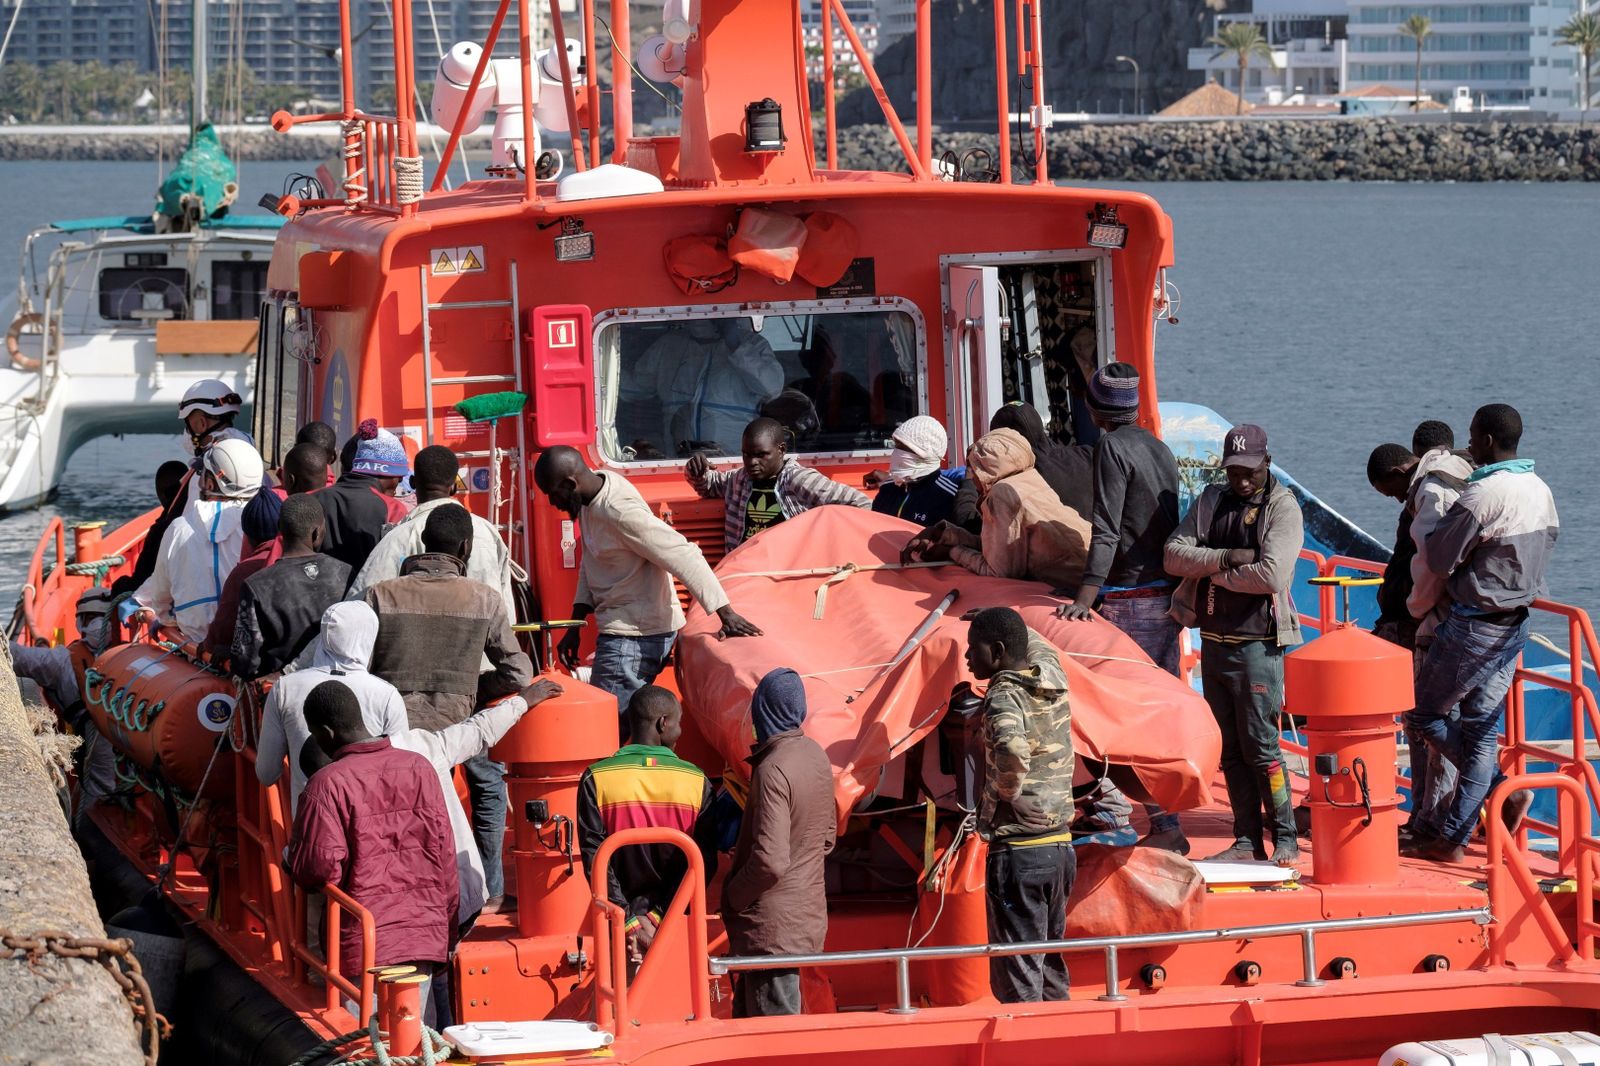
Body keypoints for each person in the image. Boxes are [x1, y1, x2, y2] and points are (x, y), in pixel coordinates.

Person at [1407, 403, 1555, 862]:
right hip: (1516, 624)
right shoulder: (1540, 490)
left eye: (1472, 436)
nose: (1468, 445)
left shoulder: (1483, 493)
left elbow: (1438, 559)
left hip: (1474, 624)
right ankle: (1454, 835)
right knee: (1481, 732)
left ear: (1487, 440)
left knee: (1423, 716)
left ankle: (1496, 789)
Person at [364, 506, 532, 908]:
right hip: (460, 721)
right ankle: (490, 889)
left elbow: (361, 666)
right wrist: (473, 690)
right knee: (488, 786)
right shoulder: (484, 599)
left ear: (423, 543)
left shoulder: (380, 594)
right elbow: (519, 674)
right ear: (465, 548)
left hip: (392, 729)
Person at [1056, 363, 1187, 853]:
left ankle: (1157, 820)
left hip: (1129, 598)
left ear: (1095, 410)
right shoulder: (1159, 447)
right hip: (1164, 595)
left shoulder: (1111, 448)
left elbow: (1106, 527)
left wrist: (1085, 595)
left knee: (1125, 711)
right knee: (1159, 706)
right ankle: (1168, 816)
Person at [533, 446, 762, 720]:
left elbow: (683, 553)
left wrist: (726, 614)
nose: (552, 502)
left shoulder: (619, 511)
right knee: (621, 727)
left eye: (553, 494)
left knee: (604, 729)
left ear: (571, 484)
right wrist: (575, 624)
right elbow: (592, 559)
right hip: (625, 634)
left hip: (633, 639)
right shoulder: (587, 497)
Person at [1165, 424, 1303, 867]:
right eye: (1233, 472)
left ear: (1267, 462)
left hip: (1258, 646)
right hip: (1214, 641)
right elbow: (1173, 554)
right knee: (1230, 749)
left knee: (1263, 748)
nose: (1241, 481)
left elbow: (1272, 575)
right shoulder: (1212, 500)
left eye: (1249, 472)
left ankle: (1286, 838)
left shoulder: (1282, 507)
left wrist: (1212, 573)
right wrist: (1226, 557)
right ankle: (1246, 839)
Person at [286, 679, 458, 1024]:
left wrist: (291, 860)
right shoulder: (419, 768)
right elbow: (445, 857)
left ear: (326, 733)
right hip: (422, 932)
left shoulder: (327, 784)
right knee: (419, 1039)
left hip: (363, 942)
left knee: (366, 1041)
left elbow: (317, 869)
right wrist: (447, 929)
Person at [963, 607, 1075, 1003]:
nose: (967, 658)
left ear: (996, 651)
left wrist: (1004, 796)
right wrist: (1009, 621)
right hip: (1060, 847)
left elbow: (1011, 748)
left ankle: (1028, 1036)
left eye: (973, 649)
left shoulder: (1002, 695)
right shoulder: (1052, 675)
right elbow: (1042, 647)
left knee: (1019, 973)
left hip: (1020, 853)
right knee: (1050, 964)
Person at [722, 668, 836, 1018]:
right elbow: (827, 838)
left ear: (763, 709)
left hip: (769, 927)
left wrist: (734, 895)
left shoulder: (773, 767)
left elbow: (770, 861)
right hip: (802, 918)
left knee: (769, 1028)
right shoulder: (816, 755)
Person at [576, 686, 717, 967]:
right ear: (663, 723)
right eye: (679, 723)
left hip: (619, 930)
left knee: (620, 993)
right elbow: (704, 863)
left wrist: (629, 922)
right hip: (675, 923)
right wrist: (659, 916)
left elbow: (594, 860)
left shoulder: (596, 777)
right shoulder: (697, 781)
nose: (680, 731)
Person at [256, 601, 410, 814]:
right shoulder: (387, 695)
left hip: (308, 826)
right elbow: (401, 777)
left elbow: (266, 773)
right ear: (370, 637)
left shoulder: (285, 688)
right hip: (370, 828)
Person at [1400, 430, 1475, 845]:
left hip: (1443, 621)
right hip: (1486, 619)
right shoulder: (1475, 478)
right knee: (1471, 723)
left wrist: (1416, 607)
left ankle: (1437, 820)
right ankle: (1455, 813)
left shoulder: (1433, 488)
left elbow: (1431, 562)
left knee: (1430, 719)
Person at [902, 428, 1091, 589]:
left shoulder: (1002, 493)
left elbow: (998, 571)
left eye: (972, 470)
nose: (971, 478)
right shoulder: (1027, 478)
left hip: (1075, 585)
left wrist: (951, 552)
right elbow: (1000, 547)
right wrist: (948, 534)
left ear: (985, 470)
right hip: (1089, 569)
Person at [348, 445, 515, 621]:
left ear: (412, 483)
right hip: (481, 638)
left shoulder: (398, 537)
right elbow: (506, 613)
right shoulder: (488, 533)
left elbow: (358, 608)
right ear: (454, 487)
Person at [125, 438, 264, 645]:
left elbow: (161, 602)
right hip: (253, 647)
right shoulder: (265, 527)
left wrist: (166, 620)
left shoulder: (178, 529)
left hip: (196, 647)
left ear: (210, 483)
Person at [685, 417, 870, 555]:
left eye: (761, 455)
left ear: (781, 450)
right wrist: (695, 469)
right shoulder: (739, 479)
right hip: (743, 570)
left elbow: (861, 503)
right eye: (746, 454)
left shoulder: (800, 480)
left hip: (788, 572)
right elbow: (708, 485)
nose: (752, 462)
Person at [230, 496, 352, 680]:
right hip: (339, 683)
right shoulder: (346, 573)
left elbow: (245, 662)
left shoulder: (257, 585)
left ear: (279, 528)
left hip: (282, 688)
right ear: (316, 532)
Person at [624, 319, 785, 458]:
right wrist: (611, 369)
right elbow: (637, 386)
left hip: (733, 459)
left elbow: (771, 388)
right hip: (678, 458)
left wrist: (737, 348)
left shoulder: (753, 344)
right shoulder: (668, 344)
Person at [954, 402, 1094, 530]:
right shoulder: (1087, 454)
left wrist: (971, 476)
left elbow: (969, 524)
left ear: (1004, 442)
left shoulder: (1018, 483)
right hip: (1098, 545)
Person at [318, 419, 410, 574]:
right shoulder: (393, 509)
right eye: (399, 475)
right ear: (386, 472)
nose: (400, 481)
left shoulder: (312, 499)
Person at [111, 460, 200, 597]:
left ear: (161, 494)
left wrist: (118, 586)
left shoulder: (160, 531)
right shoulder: (200, 522)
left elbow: (139, 583)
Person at [864, 415, 966, 528]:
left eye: (903, 447)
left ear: (926, 452)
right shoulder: (887, 488)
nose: (897, 453)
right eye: (896, 446)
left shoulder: (948, 496)